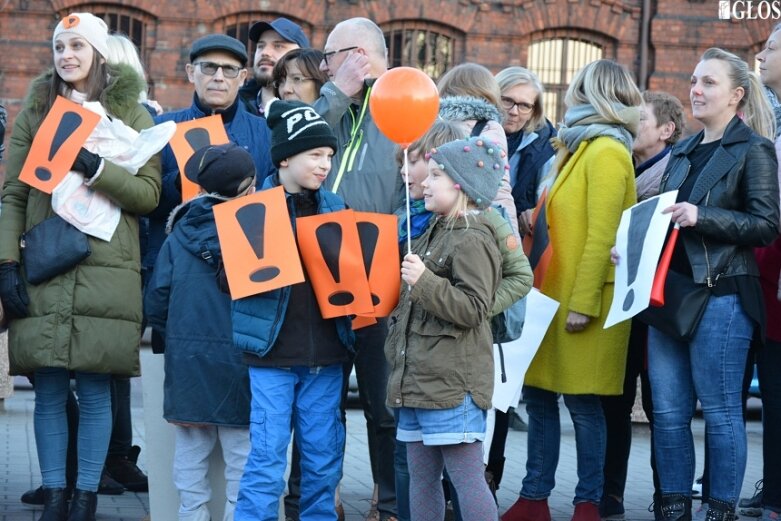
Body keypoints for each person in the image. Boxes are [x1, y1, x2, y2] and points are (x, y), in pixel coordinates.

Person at [0, 12, 161, 521]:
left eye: (77, 45)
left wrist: (96, 168)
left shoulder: (134, 117)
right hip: (44, 265)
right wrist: (6, 263)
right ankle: (53, 494)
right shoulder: (35, 115)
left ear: (98, 51)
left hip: (106, 270)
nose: (66, 55)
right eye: (58, 46)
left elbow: (149, 195)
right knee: (47, 386)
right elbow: (13, 195)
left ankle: (86, 495)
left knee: (94, 388)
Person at [502, 59, 642, 521]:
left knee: (583, 407)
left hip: (581, 302)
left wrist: (583, 303)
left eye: (576, 87)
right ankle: (533, 498)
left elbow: (603, 235)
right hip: (550, 297)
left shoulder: (606, 152)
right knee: (540, 399)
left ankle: (586, 504)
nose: (568, 96)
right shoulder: (578, 146)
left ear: (593, 94)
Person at [646, 47, 779, 521]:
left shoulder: (754, 149)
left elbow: (766, 224)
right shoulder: (682, 151)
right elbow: (661, 217)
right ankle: (674, 510)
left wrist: (703, 216)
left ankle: (718, 513)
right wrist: (635, 245)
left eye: (709, 83)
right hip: (669, 296)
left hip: (723, 295)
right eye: (694, 81)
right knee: (666, 415)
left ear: (736, 95)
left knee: (721, 415)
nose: (696, 90)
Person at [232, 99, 354, 521]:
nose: (325, 165)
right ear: (284, 157)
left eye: (329, 157)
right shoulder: (250, 209)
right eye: (315, 155)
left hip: (327, 356)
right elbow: (231, 282)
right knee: (266, 459)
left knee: (322, 463)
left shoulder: (338, 207)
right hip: (271, 357)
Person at [385, 135, 505, 521]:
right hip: (419, 382)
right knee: (421, 478)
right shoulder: (435, 229)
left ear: (461, 185)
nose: (424, 182)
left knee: (466, 477)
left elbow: (473, 308)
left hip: (453, 388)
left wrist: (424, 282)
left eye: (435, 174)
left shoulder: (474, 238)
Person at [315, 17, 401, 521]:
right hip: (323, 273)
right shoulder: (334, 106)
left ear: (360, 54)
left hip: (381, 278)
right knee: (322, 401)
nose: (325, 66)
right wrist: (334, 94)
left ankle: (388, 502)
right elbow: (297, 148)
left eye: (332, 55)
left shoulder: (402, 107)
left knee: (382, 401)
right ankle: (322, 499)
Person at [144, 143, 254, 521]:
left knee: (190, 453)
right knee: (242, 456)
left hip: (187, 361)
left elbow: (157, 300)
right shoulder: (258, 232)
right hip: (242, 359)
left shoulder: (178, 236)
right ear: (247, 187)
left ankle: (192, 515)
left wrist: (175, 334)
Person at [146, 33, 276, 349]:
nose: (219, 76)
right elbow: (145, 200)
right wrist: (179, 182)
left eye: (229, 69)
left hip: (243, 278)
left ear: (243, 77)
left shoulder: (264, 132)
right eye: (209, 67)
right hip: (180, 276)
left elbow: (274, 202)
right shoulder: (164, 129)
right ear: (191, 72)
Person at [599, 90, 685, 521]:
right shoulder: (623, 171)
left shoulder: (674, 178)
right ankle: (610, 493)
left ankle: (666, 496)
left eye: (641, 117)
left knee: (659, 406)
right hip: (625, 304)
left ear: (667, 131)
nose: (631, 122)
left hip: (659, 310)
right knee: (615, 400)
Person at [735, 25, 781, 521]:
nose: (761, 54)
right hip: (765, 279)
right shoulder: (770, 125)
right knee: (772, 395)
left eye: (771, 47)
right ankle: (772, 492)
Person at [437, 62, 519, 237]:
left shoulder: (432, 125)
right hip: (473, 229)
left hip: (433, 223)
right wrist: (513, 243)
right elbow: (500, 189)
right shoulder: (489, 129)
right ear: (489, 93)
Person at [494, 66, 556, 237]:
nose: (514, 111)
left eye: (524, 105)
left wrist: (535, 211)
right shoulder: (470, 132)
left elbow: (550, 200)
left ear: (534, 111)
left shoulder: (546, 148)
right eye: (507, 100)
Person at [239, 17, 309, 115]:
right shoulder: (233, 108)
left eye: (278, 46)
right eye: (261, 46)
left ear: (301, 56)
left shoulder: (317, 112)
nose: (264, 53)